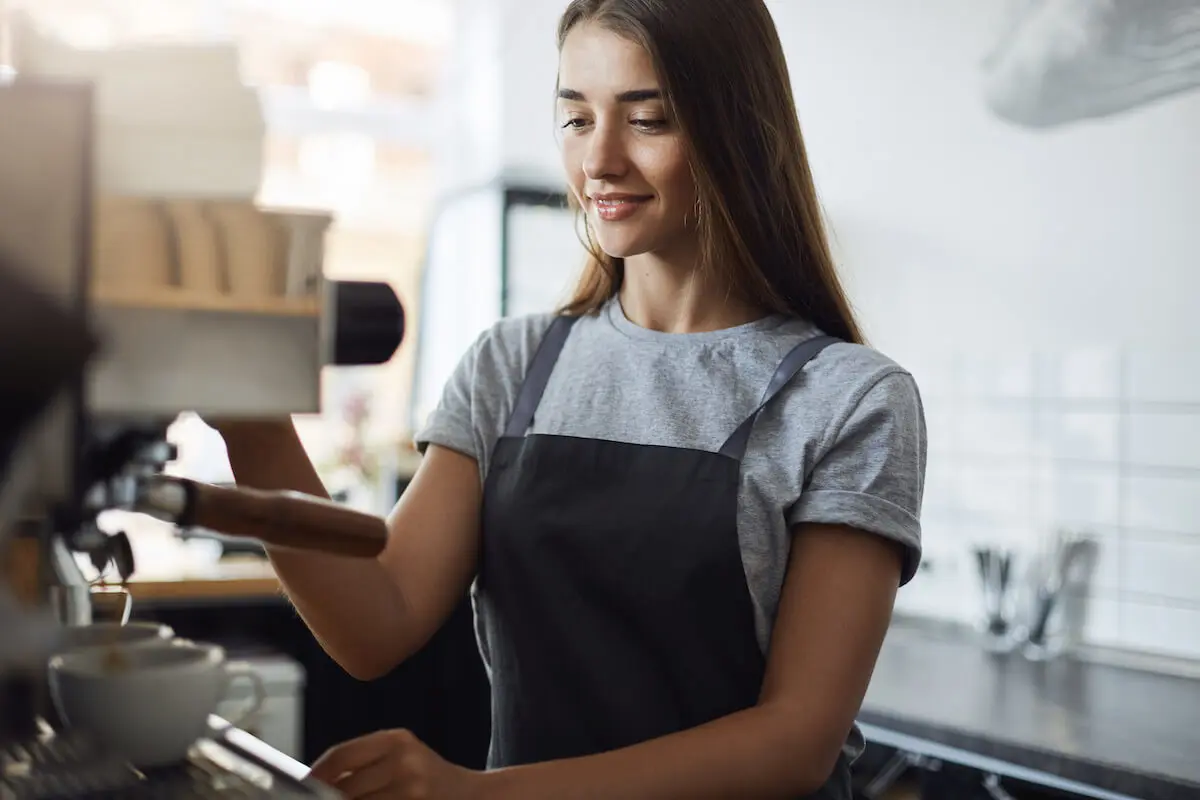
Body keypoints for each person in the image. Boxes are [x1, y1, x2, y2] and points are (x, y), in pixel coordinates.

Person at [214, 0, 927, 797]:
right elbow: (376, 620)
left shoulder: (848, 401)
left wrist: (477, 795)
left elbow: (795, 744)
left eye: (648, 120)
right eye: (576, 119)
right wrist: (251, 425)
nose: (600, 160)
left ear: (739, 131)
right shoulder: (513, 366)